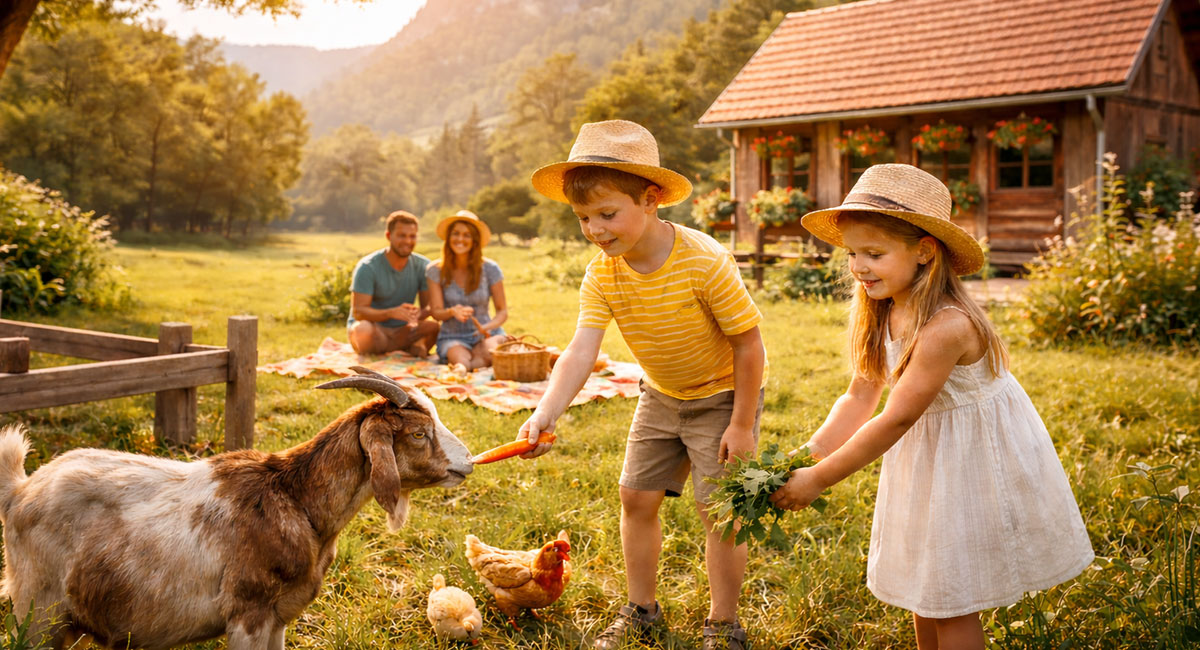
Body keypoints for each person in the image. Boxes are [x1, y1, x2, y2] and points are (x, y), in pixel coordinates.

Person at [769, 164, 1094, 650]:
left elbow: (897, 416)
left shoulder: (947, 327)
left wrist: (819, 480)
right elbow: (861, 396)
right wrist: (806, 455)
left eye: (874, 253)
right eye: (852, 253)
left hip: (973, 462)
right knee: (927, 586)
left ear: (924, 251)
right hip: (928, 456)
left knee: (952, 596)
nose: (858, 267)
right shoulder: (883, 307)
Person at [518, 120, 767, 650]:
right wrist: (546, 412)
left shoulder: (704, 262)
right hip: (660, 395)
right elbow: (581, 349)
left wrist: (742, 424)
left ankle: (723, 624)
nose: (596, 230)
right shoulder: (603, 273)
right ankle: (641, 610)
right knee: (634, 496)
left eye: (608, 214)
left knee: (717, 510)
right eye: (584, 218)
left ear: (651, 198)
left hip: (722, 397)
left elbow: (749, 344)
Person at [346, 210, 439, 356]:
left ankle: (402, 349)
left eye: (412, 236)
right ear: (389, 236)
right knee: (362, 330)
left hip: (404, 330)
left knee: (433, 327)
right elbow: (358, 312)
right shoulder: (368, 267)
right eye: (402, 236)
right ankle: (405, 349)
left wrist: (417, 313)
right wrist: (391, 313)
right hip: (375, 329)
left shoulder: (423, 265)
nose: (408, 241)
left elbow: (428, 307)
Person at [426, 210, 509, 370]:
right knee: (460, 360)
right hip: (453, 336)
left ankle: (476, 363)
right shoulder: (435, 270)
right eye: (456, 233)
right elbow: (436, 312)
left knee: (489, 352)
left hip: (486, 333)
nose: (460, 239)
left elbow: (502, 311)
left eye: (467, 235)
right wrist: (452, 312)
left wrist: (488, 326)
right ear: (449, 237)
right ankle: (467, 367)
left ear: (475, 240)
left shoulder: (490, 269)